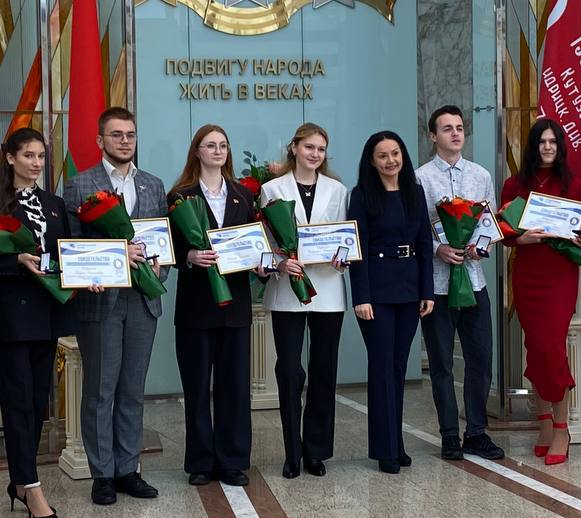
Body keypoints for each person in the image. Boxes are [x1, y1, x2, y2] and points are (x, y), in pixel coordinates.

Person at [64, 107, 168, 506]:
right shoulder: (79, 185)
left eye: (130, 135)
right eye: (117, 135)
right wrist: (111, 257)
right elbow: (73, 245)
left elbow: (162, 240)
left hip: (143, 299)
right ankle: (102, 474)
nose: (125, 141)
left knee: (133, 390)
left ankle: (128, 469)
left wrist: (160, 268)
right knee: (100, 390)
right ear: (100, 140)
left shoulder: (153, 184)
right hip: (101, 300)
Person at [0, 128, 75, 518]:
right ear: (10, 158)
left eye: (41, 156)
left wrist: (88, 274)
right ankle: (32, 488)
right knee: (17, 402)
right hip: (12, 317)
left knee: (36, 402)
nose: (36, 163)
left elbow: (68, 253)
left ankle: (20, 479)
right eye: (29, 155)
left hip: (48, 314)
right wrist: (16, 261)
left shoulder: (55, 204)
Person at [169, 125, 259, 487]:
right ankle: (200, 462)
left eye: (223, 145)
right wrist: (189, 256)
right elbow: (169, 247)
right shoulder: (179, 196)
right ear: (197, 151)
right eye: (210, 145)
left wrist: (260, 261)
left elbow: (253, 244)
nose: (218, 151)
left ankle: (232, 461)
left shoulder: (243, 195)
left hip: (235, 306)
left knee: (235, 387)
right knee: (196, 388)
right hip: (196, 306)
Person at [500, 118, 581, 465]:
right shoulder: (514, 184)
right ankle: (543, 425)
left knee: (552, 349)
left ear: (560, 146)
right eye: (542, 141)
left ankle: (561, 429)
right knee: (535, 349)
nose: (548, 147)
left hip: (559, 275)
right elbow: (503, 231)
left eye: (553, 142)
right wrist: (519, 238)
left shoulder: (574, 184)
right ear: (533, 146)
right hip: (527, 274)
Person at [415, 105, 504, 462]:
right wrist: (437, 248)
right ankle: (450, 434)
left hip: (473, 279)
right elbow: (415, 228)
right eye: (447, 128)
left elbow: (489, 221)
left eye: (459, 128)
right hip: (437, 285)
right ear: (433, 136)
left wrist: (479, 246)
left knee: (480, 359)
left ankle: (477, 432)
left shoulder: (481, 175)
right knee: (441, 363)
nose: (455, 133)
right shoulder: (420, 178)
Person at [260, 122, 349, 479]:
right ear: (294, 148)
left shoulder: (337, 190)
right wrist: (280, 262)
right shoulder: (271, 189)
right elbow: (265, 243)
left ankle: (316, 451)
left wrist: (343, 258)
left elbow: (344, 238)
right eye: (309, 147)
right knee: (289, 371)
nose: (315, 154)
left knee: (324, 371)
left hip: (328, 290)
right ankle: (292, 452)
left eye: (321, 149)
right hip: (287, 289)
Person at [348, 131, 434, 474]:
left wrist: (427, 291)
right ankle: (384, 450)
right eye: (382, 155)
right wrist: (361, 297)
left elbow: (425, 244)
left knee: (398, 367)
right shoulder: (362, 195)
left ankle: (396, 443)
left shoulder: (415, 191)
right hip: (377, 294)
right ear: (372, 161)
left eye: (395, 153)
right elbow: (357, 249)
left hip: (410, 289)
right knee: (382, 367)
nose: (390, 161)